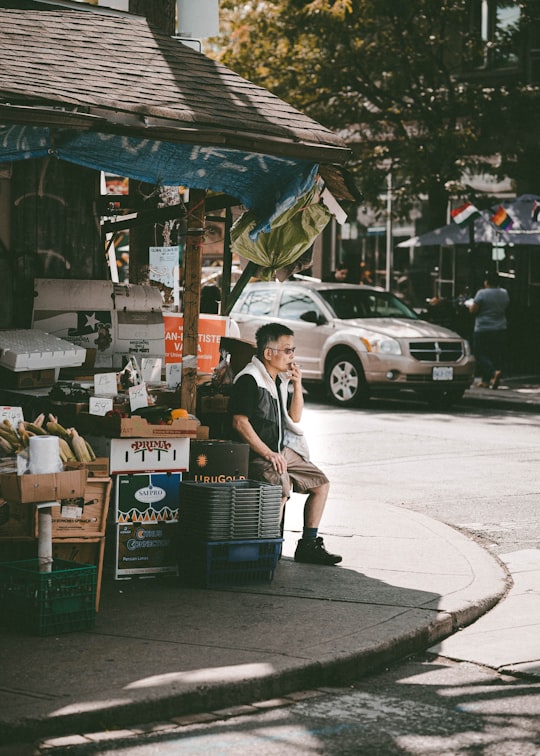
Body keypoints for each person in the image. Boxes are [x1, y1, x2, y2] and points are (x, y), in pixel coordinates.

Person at [229, 323, 342, 566]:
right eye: (287, 350)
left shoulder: (277, 380)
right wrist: (269, 453)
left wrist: (297, 384)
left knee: (320, 484)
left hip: (279, 451)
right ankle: (266, 549)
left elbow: (295, 417)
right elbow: (240, 423)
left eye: (293, 350)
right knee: (280, 491)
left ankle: (308, 544)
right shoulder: (249, 379)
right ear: (268, 353)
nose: (292, 356)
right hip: (256, 454)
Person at [468, 271, 510, 389]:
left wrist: (469, 305)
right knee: (493, 353)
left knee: (479, 353)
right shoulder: (504, 293)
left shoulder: (482, 293)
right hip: (500, 328)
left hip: (483, 328)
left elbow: (473, 310)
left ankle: (493, 373)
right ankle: (485, 381)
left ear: (486, 282)